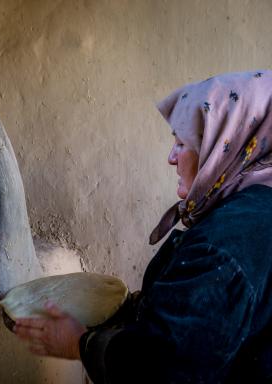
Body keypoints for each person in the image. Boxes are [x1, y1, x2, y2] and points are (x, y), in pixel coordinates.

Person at [14, 71, 272, 383]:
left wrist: (80, 343)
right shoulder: (260, 207)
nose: (171, 158)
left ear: (221, 147)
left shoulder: (224, 245)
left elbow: (160, 370)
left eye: (181, 143)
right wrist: (132, 312)